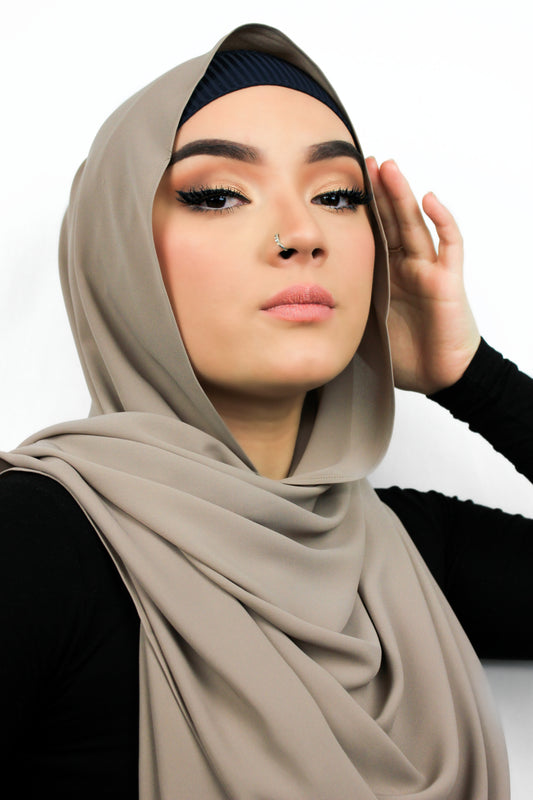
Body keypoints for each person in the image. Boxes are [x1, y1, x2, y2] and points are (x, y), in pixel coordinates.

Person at [0, 22, 531, 800]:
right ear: (118, 255)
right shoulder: (32, 544)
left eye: (337, 196)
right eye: (218, 195)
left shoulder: (399, 557)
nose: (301, 233)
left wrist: (470, 373)